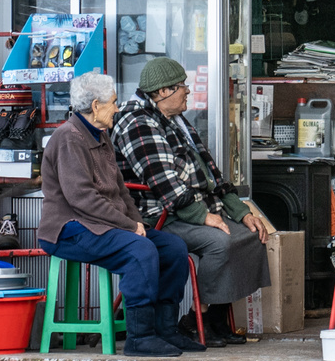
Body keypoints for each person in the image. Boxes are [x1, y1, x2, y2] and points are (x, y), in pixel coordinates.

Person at [37, 71, 205, 357]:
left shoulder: (102, 137)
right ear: (95, 106)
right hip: (69, 229)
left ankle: (165, 329)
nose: (117, 108)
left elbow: (121, 192)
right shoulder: (69, 138)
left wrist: (137, 222)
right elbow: (82, 199)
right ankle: (140, 337)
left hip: (102, 224)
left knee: (174, 248)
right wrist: (129, 226)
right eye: (113, 103)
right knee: (140, 250)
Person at [112, 57, 270, 345]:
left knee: (251, 235)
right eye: (181, 86)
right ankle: (196, 318)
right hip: (161, 215)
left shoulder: (175, 119)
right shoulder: (137, 122)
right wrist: (203, 216)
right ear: (162, 92)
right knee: (220, 241)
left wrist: (241, 211)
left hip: (193, 208)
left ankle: (214, 318)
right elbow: (165, 184)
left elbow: (211, 173)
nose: (188, 91)